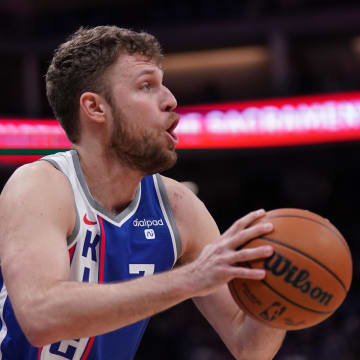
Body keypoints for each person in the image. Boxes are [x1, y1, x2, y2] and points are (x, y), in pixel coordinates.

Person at [0, 26, 286, 359]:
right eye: (147, 85)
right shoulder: (40, 186)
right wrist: (192, 278)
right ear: (95, 108)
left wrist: (277, 298)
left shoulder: (178, 207)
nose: (171, 100)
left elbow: (249, 347)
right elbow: (40, 317)